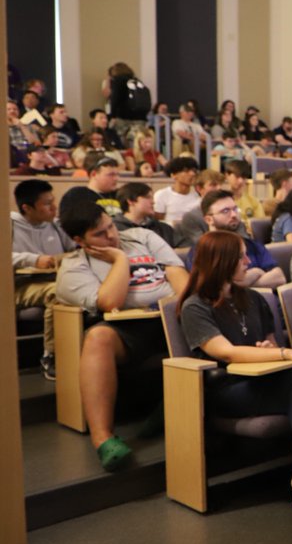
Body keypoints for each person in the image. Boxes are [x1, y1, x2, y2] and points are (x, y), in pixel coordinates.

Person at [178, 231, 292, 508]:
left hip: (264, 381)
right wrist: (285, 352)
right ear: (222, 261)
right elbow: (225, 352)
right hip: (228, 390)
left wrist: (268, 350)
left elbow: (268, 343)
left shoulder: (253, 299)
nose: (248, 261)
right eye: (241, 255)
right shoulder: (195, 307)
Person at [56, 201, 187, 470]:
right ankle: (103, 439)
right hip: (129, 332)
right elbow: (109, 301)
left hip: (171, 318)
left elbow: (176, 272)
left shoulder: (142, 236)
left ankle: (175, 405)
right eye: (101, 234)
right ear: (80, 240)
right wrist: (119, 259)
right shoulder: (74, 267)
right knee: (97, 338)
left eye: (111, 226)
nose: (112, 236)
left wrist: (184, 305)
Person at [12, 179, 75, 379]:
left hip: (55, 279)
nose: (54, 207)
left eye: (53, 201)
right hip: (17, 287)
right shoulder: (9, 226)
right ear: (27, 208)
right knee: (57, 292)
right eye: (47, 204)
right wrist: (33, 259)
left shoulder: (55, 226)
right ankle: (51, 356)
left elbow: (75, 249)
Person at [186, 190, 285, 288]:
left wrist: (241, 283)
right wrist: (256, 272)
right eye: (225, 211)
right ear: (209, 219)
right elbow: (213, 287)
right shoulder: (201, 252)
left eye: (235, 209)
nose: (233, 215)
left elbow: (279, 278)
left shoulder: (251, 245)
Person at [174, 169, 230, 248]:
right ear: (199, 189)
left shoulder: (230, 210)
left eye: (220, 184)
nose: (219, 188)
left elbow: (243, 239)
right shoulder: (191, 215)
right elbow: (203, 245)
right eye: (213, 185)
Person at [114, 182, 178, 247]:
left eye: (152, 198)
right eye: (147, 197)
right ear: (131, 201)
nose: (153, 202)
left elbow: (185, 249)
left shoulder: (163, 228)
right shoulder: (114, 229)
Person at [154, 156, 201, 224]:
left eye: (194, 171)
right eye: (186, 171)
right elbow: (158, 221)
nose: (192, 174)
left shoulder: (198, 196)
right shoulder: (162, 195)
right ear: (173, 175)